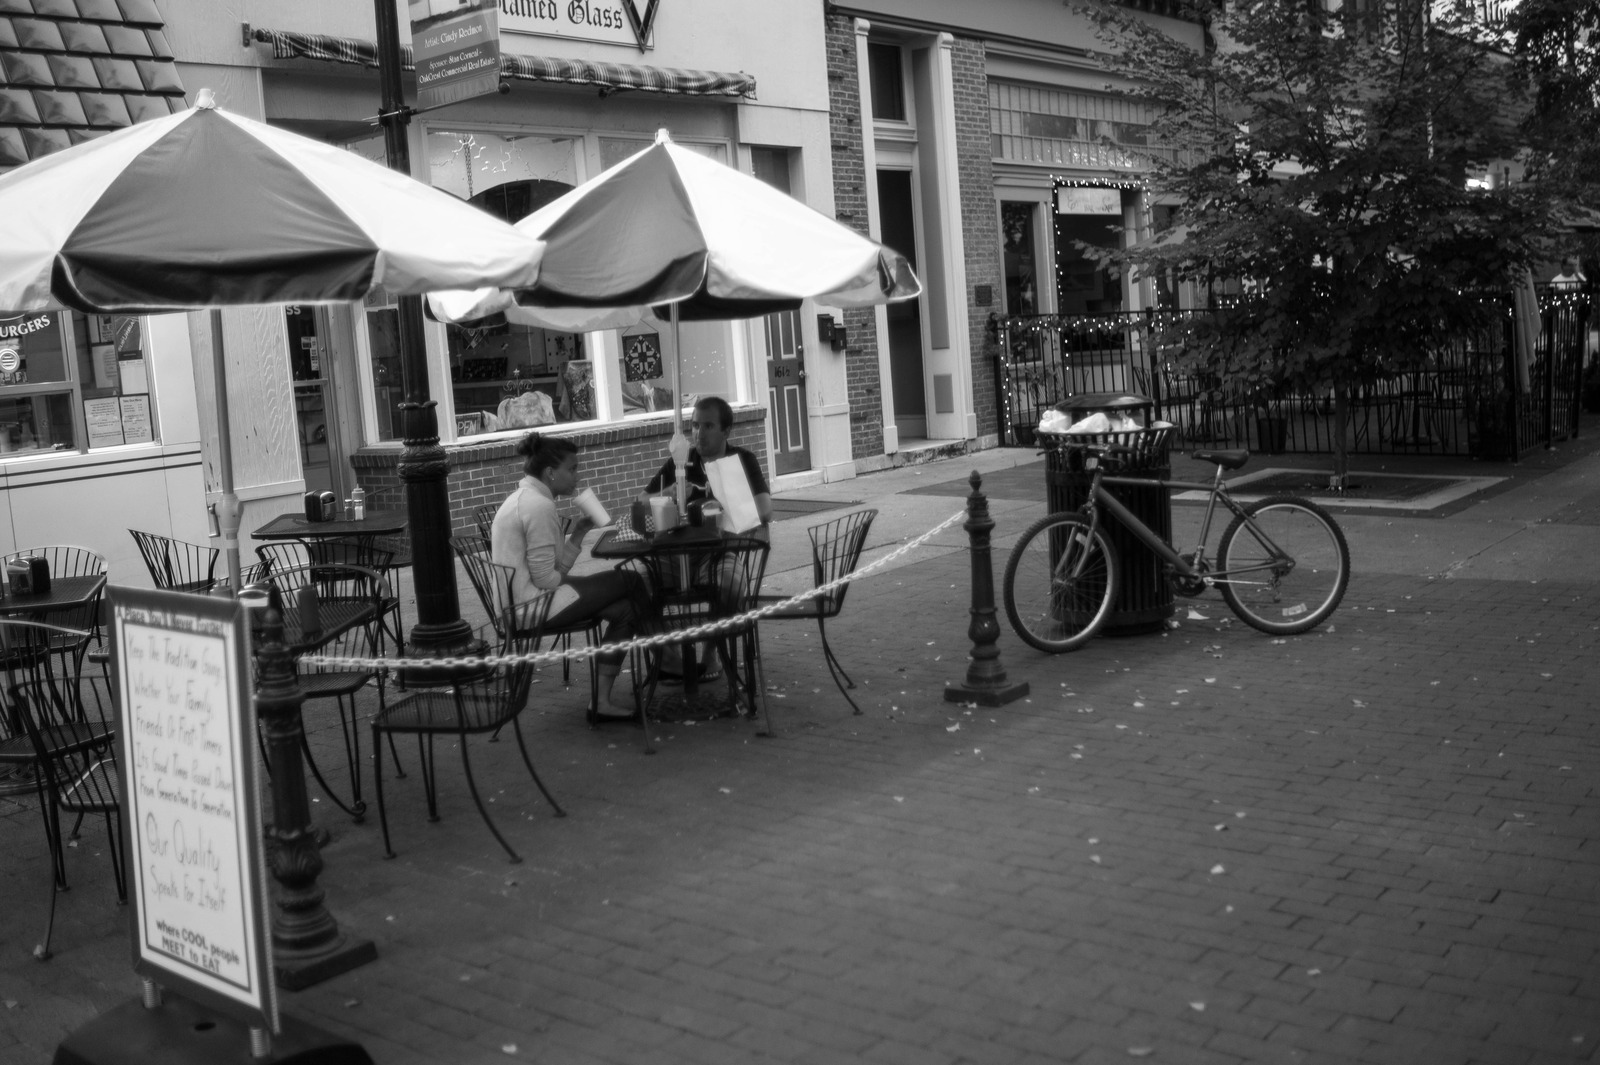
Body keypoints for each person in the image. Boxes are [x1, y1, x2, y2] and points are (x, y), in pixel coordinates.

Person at [492, 432, 645, 716]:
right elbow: (546, 579)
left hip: (522, 602)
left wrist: (579, 533)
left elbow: (549, 573)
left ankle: (601, 703)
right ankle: (666, 659)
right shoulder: (539, 506)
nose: (577, 476)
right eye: (572, 469)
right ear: (550, 473)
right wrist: (585, 587)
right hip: (531, 607)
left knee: (626, 608)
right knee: (632, 579)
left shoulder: (524, 497)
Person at [637, 396, 773, 533]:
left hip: (728, 545)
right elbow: (639, 503)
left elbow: (765, 510)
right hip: (685, 547)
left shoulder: (743, 460)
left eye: (708, 426)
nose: (699, 434)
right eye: (696, 426)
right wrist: (668, 493)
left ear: (726, 431)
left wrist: (713, 514)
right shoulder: (680, 462)